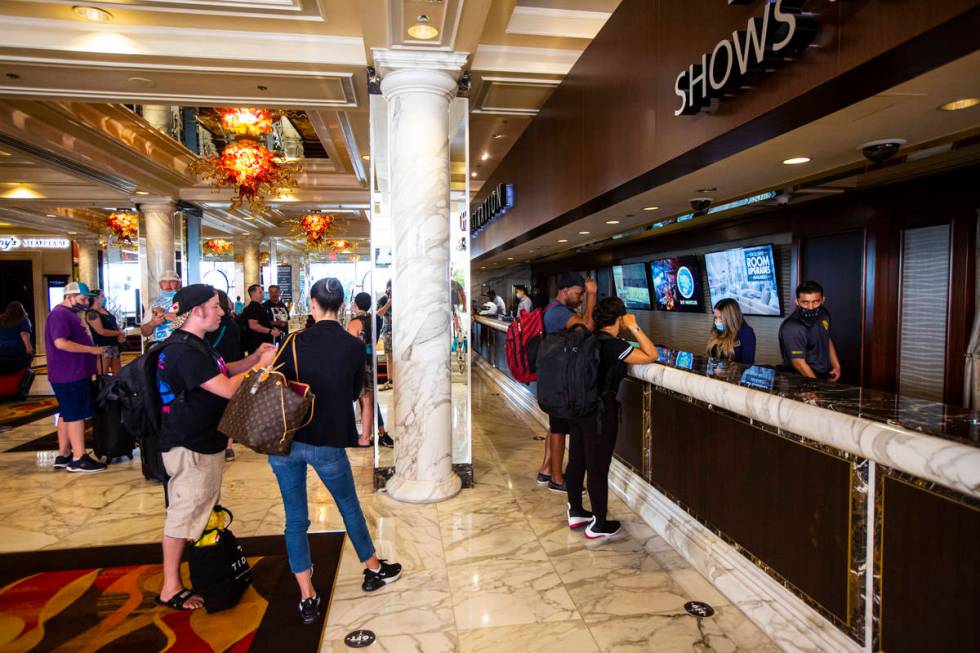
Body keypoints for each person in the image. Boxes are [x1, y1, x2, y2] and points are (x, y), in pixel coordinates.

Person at [270, 278, 402, 625]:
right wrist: (362, 433)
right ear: (342, 305)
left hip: (285, 442)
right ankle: (373, 569)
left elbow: (273, 382)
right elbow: (360, 391)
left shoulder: (293, 341)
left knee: (295, 519)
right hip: (327, 440)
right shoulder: (353, 346)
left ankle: (307, 596)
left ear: (313, 303)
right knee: (348, 507)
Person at [155, 284, 276, 611]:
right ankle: (170, 587)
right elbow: (224, 388)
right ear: (196, 311)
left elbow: (221, 372)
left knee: (200, 509)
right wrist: (260, 366)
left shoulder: (198, 345)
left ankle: (194, 573)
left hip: (204, 440)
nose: (222, 311)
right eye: (215, 306)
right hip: (189, 445)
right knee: (183, 514)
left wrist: (251, 358)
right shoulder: (183, 351)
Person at [565, 297, 659, 538]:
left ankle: (575, 511)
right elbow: (651, 354)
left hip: (578, 408)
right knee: (598, 466)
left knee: (577, 459)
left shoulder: (588, 338)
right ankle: (599, 523)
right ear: (619, 319)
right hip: (600, 411)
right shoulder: (614, 345)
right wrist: (635, 326)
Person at [538, 272, 598, 493]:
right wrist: (593, 295)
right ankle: (557, 478)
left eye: (583, 294)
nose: (581, 297)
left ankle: (546, 470)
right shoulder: (558, 313)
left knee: (556, 426)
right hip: (560, 381)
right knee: (559, 428)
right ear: (565, 290)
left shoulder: (555, 309)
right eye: (579, 293)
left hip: (556, 378)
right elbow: (587, 328)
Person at [45, 282, 107, 473]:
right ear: (69, 296)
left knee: (67, 413)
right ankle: (79, 457)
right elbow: (61, 343)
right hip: (69, 372)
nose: (86, 302)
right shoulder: (60, 314)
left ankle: (63, 454)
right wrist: (92, 349)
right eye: (82, 299)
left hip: (72, 371)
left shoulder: (69, 314)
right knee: (76, 414)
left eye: (87, 299)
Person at [347, 292, 393, 448]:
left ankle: (366, 437)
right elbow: (382, 311)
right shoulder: (376, 319)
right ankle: (381, 432)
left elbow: (350, 348)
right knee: (371, 401)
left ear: (356, 304)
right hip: (371, 362)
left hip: (360, 365)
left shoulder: (354, 323)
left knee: (365, 400)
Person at [207, 290, 244, 461]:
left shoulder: (220, 326)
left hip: (217, 369)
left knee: (222, 406)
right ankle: (227, 446)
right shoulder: (232, 324)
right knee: (228, 407)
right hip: (228, 367)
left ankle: (224, 444)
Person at [779, 280, 841, 381]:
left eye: (815, 302)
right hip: (801, 378)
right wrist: (816, 385)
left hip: (822, 375)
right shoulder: (793, 327)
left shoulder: (824, 314)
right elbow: (799, 363)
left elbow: (827, 339)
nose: (811, 307)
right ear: (797, 301)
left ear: (822, 300)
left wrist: (836, 366)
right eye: (805, 302)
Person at [86, 290, 127, 375]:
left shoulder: (104, 310)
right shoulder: (92, 313)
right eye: (102, 296)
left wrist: (120, 333)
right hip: (103, 346)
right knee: (102, 374)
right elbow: (101, 331)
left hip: (114, 344)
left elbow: (113, 324)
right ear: (95, 298)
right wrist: (118, 333)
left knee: (118, 374)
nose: (105, 298)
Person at [706, 298, 756, 365]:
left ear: (731, 318)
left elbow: (746, 365)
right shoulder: (717, 329)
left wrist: (724, 371)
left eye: (720, 318)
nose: (716, 321)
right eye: (716, 317)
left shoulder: (746, 333)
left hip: (734, 374)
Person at [140, 270, 181, 344]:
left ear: (178, 283)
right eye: (164, 282)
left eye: (172, 281)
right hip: (159, 345)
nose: (168, 285)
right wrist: (152, 323)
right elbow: (144, 332)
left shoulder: (185, 299)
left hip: (180, 344)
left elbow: (190, 320)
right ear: (160, 284)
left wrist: (164, 315)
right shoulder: (154, 304)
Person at [240, 284, 280, 354]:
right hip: (257, 346)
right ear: (253, 294)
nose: (263, 294)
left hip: (263, 345)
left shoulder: (259, 307)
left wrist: (273, 328)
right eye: (260, 292)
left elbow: (263, 323)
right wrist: (270, 331)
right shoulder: (253, 307)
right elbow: (253, 325)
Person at [0, 301, 34, 375]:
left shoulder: (1, 319)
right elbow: (24, 335)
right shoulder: (23, 320)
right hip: (17, 355)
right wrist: (30, 351)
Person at [377, 281, 393, 391]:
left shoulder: (403, 299)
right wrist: (389, 303)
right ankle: (390, 381)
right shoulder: (383, 299)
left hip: (403, 332)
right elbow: (378, 314)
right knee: (390, 357)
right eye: (389, 288)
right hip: (388, 332)